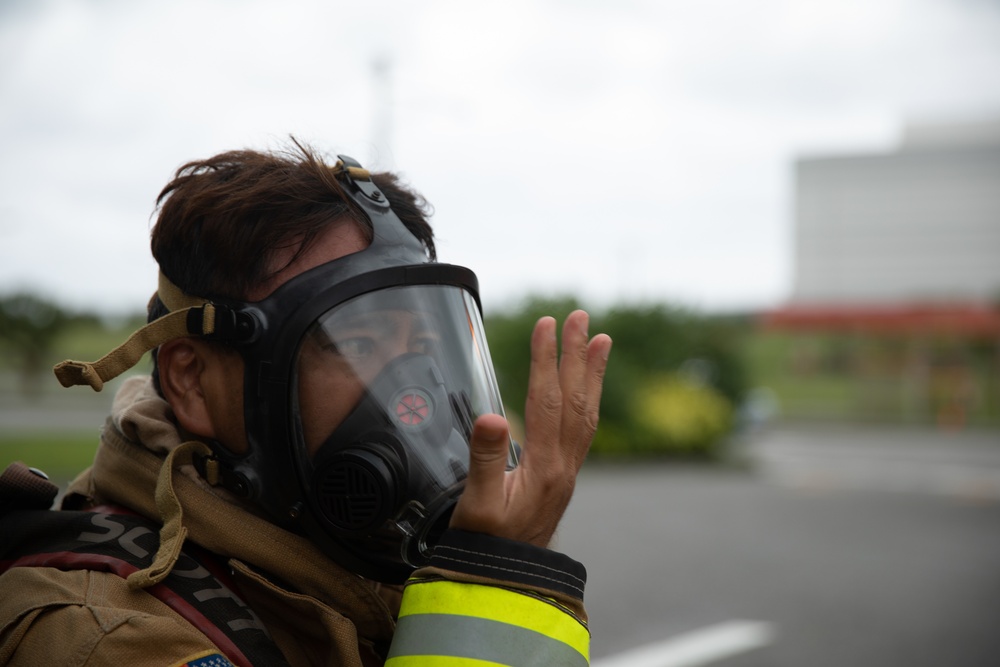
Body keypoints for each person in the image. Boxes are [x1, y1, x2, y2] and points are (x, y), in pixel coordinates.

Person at [0, 141, 612, 666]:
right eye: (362, 343)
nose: (412, 395)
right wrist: (492, 581)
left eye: (425, 344)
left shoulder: (351, 562)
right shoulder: (106, 635)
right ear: (192, 380)